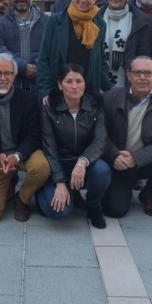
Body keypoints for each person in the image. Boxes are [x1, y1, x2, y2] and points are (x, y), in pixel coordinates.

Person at [0, 53, 50, 221]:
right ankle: (9, 183)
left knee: (41, 166)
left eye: (8, 73)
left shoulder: (28, 99)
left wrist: (18, 155)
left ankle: (22, 199)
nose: (3, 78)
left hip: (22, 153)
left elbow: (34, 134)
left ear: (14, 76)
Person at [101, 56, 152, 218]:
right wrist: (114, 155)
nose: (142, 77)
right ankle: (123, 189)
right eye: (137, 73)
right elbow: (100, 134)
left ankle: (149, 195)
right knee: (115, 210)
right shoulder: (110, 97)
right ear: (129, 75)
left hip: (146, 161)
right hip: (118, 162)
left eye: (148, 73)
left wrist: (136, 158)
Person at [35, 63, 111, 228]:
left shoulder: (95, 105)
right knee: (59, 212)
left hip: (83, 164)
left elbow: (100, 140)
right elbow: (49, 148)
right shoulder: (49, 107)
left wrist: (83, 161)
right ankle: (43, 194)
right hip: (59, 165)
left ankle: (93, 205)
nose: (74, 86)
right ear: (59, 84)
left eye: (79, 81)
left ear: (85, 83)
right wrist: (60, 182)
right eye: (69, 81)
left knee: (102, 170)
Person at [38, 0, 111, 99]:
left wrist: (109, 90)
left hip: (88, 92)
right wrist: (45, 91)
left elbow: (100, 60)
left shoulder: (100, 24)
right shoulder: (55, 21)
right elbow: (44, 59)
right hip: (59, 91)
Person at [0, 0, 49, 91]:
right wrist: (22, 67)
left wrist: (37, 67)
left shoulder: (47, 21)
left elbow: (51, 49)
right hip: (13, 85)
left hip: (41, 83)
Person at [101, 0, 151, 87]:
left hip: (128, 80)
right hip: (100, 77)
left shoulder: (139, 21)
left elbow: (143, 53)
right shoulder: (96, 18)